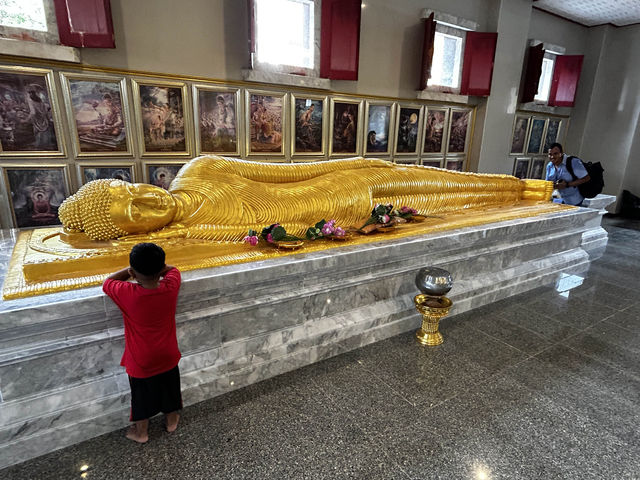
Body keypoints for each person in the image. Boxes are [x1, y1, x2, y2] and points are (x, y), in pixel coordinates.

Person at [59, 155, 553, 243]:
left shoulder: (202, 170)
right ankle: (516, 194)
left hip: (339, 186)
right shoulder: (195, 232)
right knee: (439, 206)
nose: (150, 204)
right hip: (349, 219)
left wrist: (351, 165)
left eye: (136, 193)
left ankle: (522, 189)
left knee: (446, 185)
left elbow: (287, 173)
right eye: (137, 215)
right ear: (133, 232)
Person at [103, 243, 182, 443]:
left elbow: (107, 282)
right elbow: (173, 270)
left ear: (133, 272)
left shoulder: (128, 293)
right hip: (169, 353)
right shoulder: (170, 287)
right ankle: (171, 422)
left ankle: (141, 433)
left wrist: (130, 272)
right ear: (160, 267)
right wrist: (157, 267)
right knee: (170, 388)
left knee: (141, 397)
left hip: (141, 359)